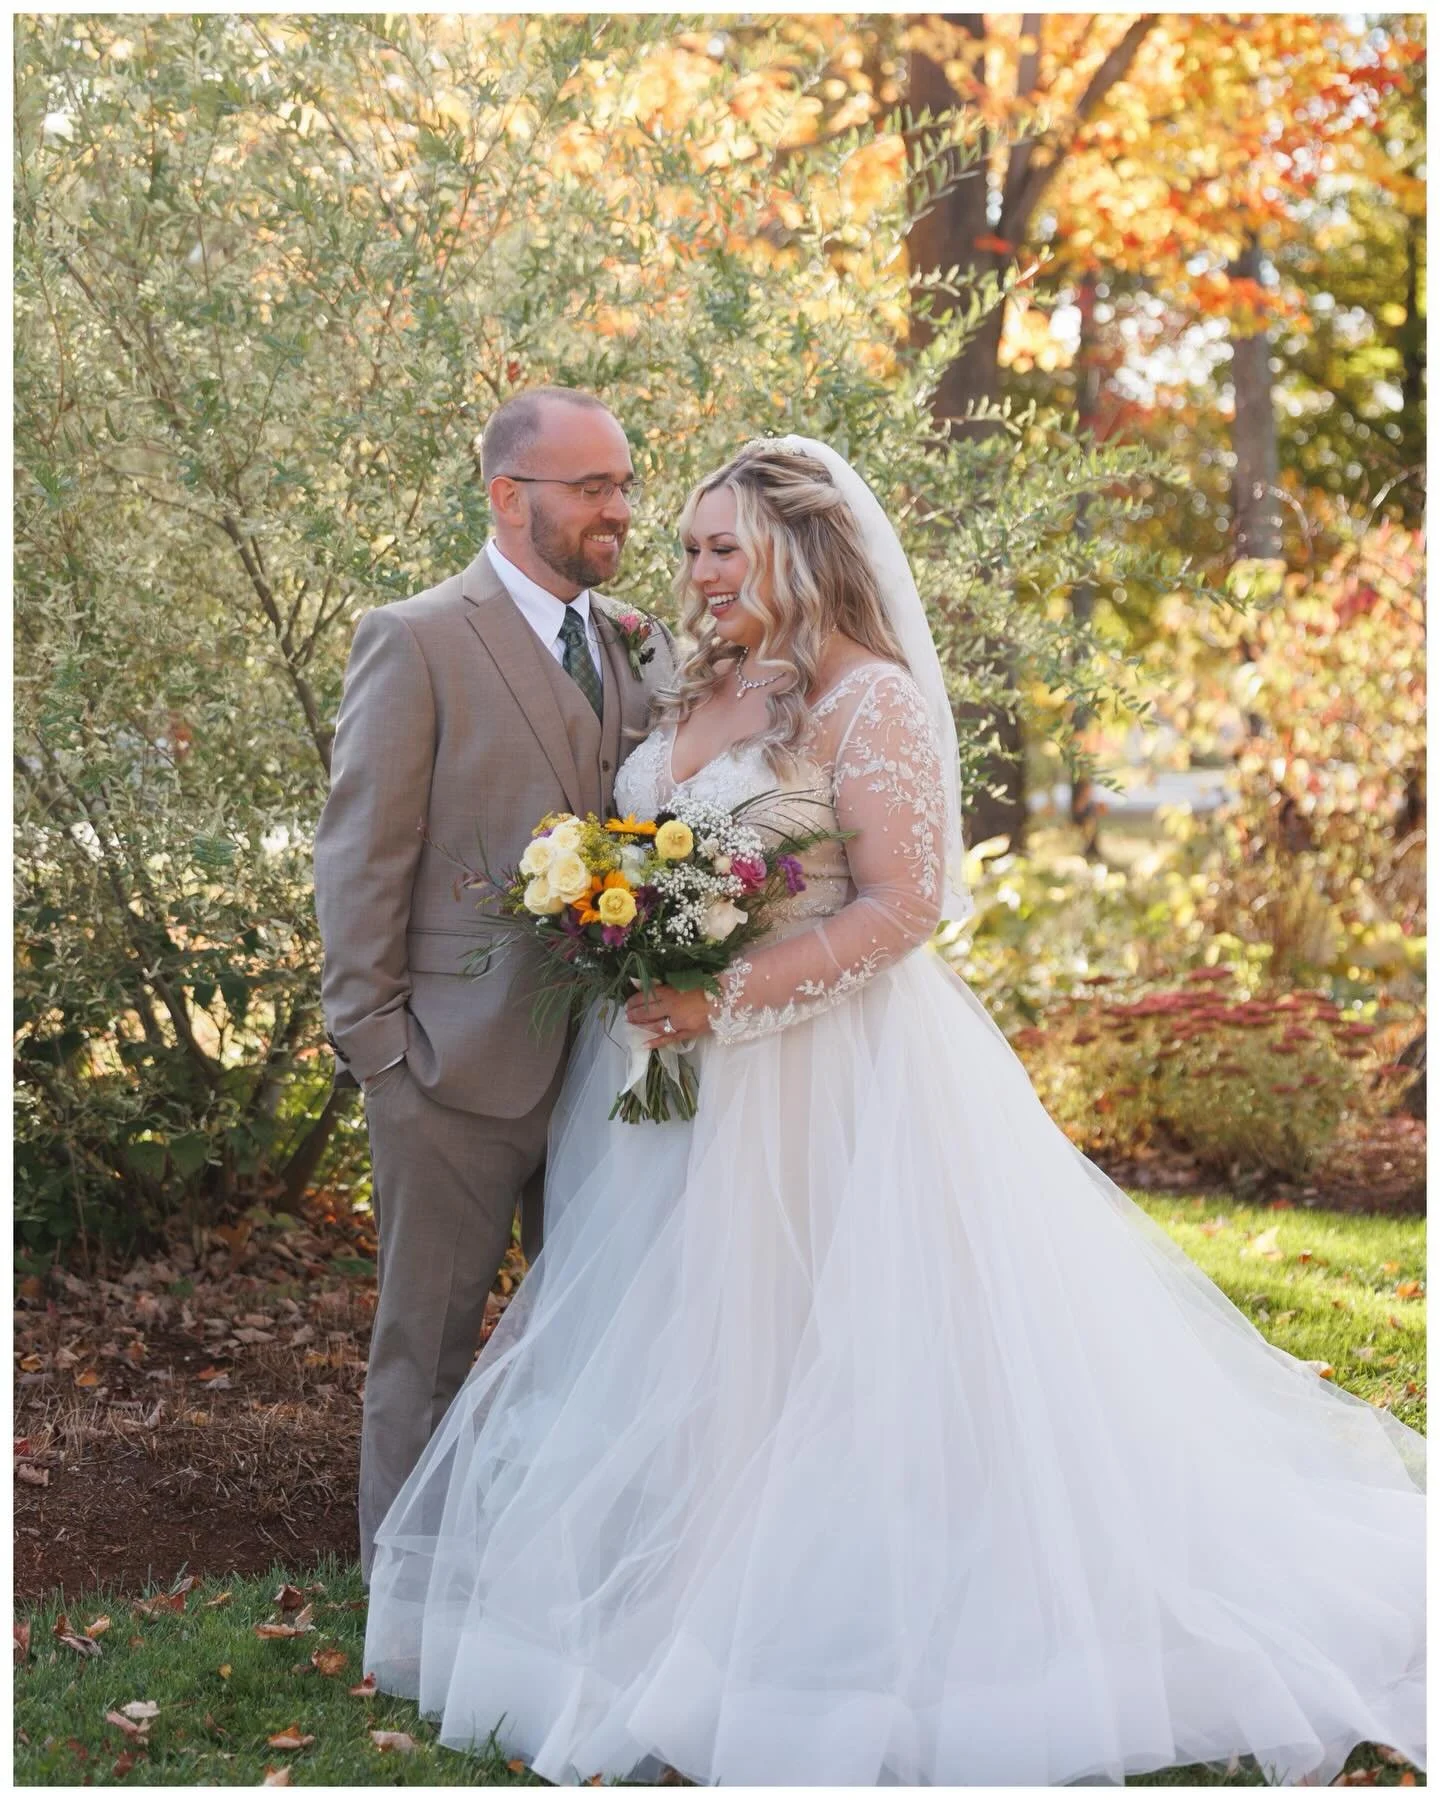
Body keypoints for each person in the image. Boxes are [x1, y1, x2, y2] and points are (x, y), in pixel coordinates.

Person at [361, 438, 1426, 1786]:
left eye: (724, 548)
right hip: (666, 1088)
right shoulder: (700, 677)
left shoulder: (872, 701)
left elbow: (904, 906)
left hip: (823, 1081)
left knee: (812, 1344)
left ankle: (819, 1619)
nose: (696, 572)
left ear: (800, 550)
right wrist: (632, 939)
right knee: (688, 1338)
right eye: (689, 547)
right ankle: (681, 1591)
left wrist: (724, 996)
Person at [313, 387, 675, 1581]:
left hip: (608, 1067)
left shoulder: (639, 642)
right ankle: (402, 1598)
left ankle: (558, 1588)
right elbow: (363, 854)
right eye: (593, 487)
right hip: (446, 1065)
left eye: (624, 484)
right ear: (509, 496)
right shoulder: (415, 638)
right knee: (426, 1350)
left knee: (596, 1346)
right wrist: (380, 1049)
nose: (620, 509)